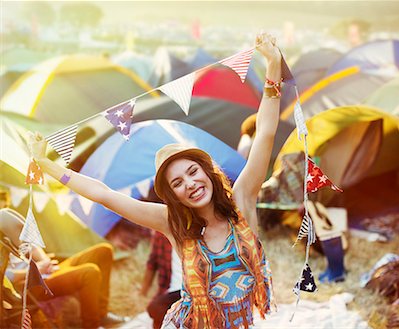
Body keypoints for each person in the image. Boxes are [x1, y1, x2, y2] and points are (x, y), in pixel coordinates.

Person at [28, 32, 282, 329]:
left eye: (192, 172)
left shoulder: (243, 200)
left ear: (207, 171)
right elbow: (104, 195)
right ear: (172, 195)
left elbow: (264, 131)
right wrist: (46, 165)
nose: (189, 183)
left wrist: (273, 64)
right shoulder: (171, 222)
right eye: (177, 183)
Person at [0, 191, 128, 329]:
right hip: (30, 285)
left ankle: (101, 315)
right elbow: (6, 278)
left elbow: (28, 240)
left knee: (103, 251)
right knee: (90, 272)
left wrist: (44, 262)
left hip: (44, 271)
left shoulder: (4, 216)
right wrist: (34, 271)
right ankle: (92, 325)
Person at [141, 231, 182, 329]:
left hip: (192, 291)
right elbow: (152, 263)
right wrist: (142, 292)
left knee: (157, 309)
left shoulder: (200, 233)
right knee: (154, 310)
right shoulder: (162, 233)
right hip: (170, 292)